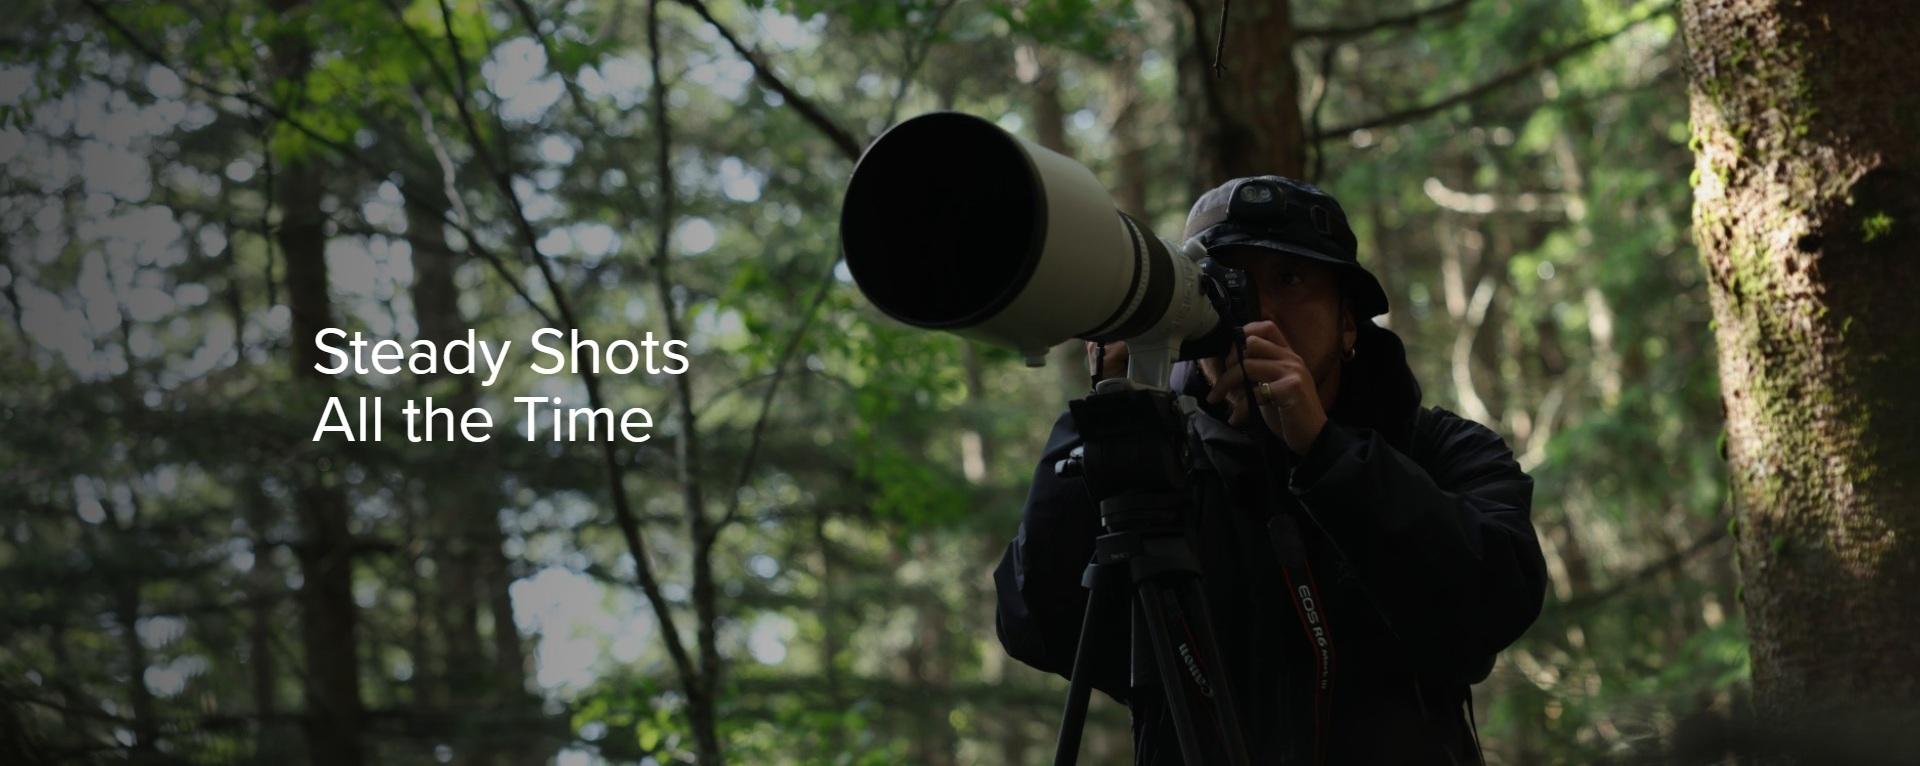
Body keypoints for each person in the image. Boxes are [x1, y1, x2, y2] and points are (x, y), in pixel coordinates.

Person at [993, 176, 1547, 765]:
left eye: (1290, 280)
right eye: (1224, 284)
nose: (1257, 311)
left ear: (1348, 323)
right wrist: (1106, 415)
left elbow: (1494, 606)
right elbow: (1038, 626)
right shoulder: (1159, 464)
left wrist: (1326, 453)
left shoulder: (1438, 450)